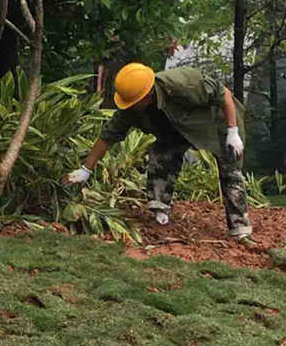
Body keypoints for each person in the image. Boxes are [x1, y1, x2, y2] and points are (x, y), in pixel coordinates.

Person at [65, 63, 254, 243]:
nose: (128, 106)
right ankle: (160, 211)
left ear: (147, 94)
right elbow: (108, 135)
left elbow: (225, 95)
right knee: (162, 152)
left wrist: (233, 132)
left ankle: (240, 229)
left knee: (231, 172)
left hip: (218, 122)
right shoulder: (131, 107)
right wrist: (85, 169)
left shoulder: (184, 84)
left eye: (133, 102)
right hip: (177, 127)